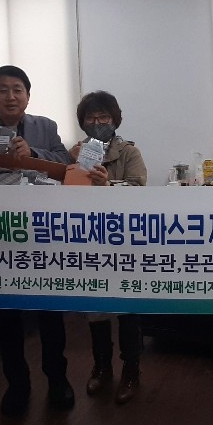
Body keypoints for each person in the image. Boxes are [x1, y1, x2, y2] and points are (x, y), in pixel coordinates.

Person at [0, 65, 74, 416]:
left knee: (50, 315)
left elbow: (66, 162)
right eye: (2, 90)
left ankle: (58, 380)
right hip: (1, 236)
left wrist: (35, 154)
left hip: (42, 234)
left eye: (17, 89)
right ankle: (17, 385)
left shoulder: (46, 126)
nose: (10, 96)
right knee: (6, 317)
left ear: (27, 95)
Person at [68, 91, 147, 404]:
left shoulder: (129, 152)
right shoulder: (77, 152)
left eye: (104, 116)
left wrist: (108, 185)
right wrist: (70, 163)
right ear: (83, 122)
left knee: (128, 312)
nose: (98, 122)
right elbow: (62, 193)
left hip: (124, 243)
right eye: (91, 117)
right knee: (96, 311)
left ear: (115, 119)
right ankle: (101, 367)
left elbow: (140, 190)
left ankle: (131, 370)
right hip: (90, 242)